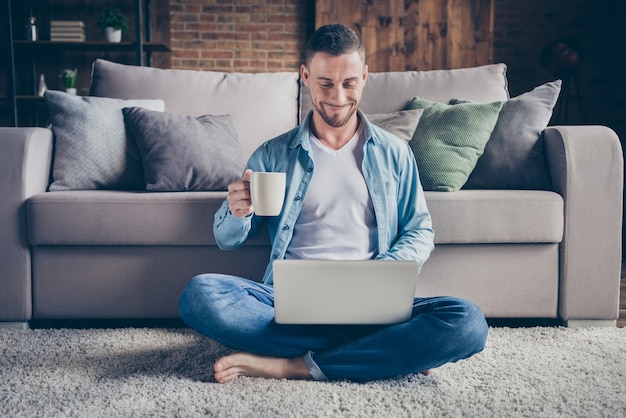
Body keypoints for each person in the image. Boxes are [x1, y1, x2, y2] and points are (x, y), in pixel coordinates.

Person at [179, 23, 488, 384]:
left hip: (374, 303)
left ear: (365, 77)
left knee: (467, 322)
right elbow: (228, 240)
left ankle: (295, 364)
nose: (338, 97)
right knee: (199, 296)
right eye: (325, 83)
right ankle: (381, 352)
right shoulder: (273, 153)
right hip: (287, 304)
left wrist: (381, 274)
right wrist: (236, 212)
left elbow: (419, 230)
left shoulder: (395, 153)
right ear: (305, 76)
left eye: (349, 83)